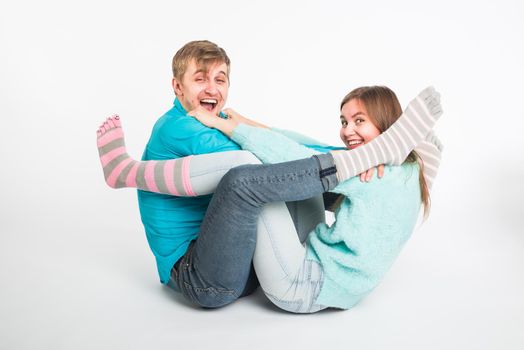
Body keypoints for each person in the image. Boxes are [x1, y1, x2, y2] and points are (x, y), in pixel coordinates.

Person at [97, 86, 443, 312]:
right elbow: (308, 149)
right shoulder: (411, 173)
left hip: (302, 286)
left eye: (359, 121)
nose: (347, 130)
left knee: (251, 176)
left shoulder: (373, 173)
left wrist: (232, 129)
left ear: (388, 126)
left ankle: (127, 173)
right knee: (300, 167)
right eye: (344, 120)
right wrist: (244, 122)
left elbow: (294, 158)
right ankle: (126, 172)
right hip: (346, 287)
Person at [119, 40, 327, 308]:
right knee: (261, 174)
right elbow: (271, 156)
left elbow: (280, 143)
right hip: (199, 279)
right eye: (200, 79)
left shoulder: (212, 122)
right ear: (178, 87)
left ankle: (318, 259)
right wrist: (338, 165)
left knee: (300, 170)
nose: (212, 89)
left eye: (220, 79)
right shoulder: (178, 127)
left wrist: (346, 154)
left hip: (239, 263)